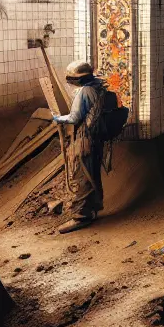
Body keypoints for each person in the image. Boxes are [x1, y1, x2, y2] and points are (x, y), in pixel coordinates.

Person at [53, 61, 111, 233]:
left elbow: (74, 117)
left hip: (86, 138)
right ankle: (93, 208)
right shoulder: (100, 85)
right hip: (97, 137)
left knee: (82, 175)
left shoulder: (85, 91)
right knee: (92, 173)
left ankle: (81, 217)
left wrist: (57, 118)